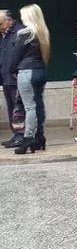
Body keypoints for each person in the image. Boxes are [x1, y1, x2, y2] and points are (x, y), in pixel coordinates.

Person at [8, 4, 50, 154]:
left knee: (29, 107)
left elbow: (14, 58)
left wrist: (12, 70)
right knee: (38, 105)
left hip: (27, 72)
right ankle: (39, 137)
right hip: (40, 71)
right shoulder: (42, 33)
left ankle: (28, 138)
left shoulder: (25, 34)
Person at [0, 10, 25, 148]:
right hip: (6, 76)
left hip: (16, 77)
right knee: (11, 107)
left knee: (18, 108)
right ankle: (16, 133)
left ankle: (21, 134)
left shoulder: (19, 32)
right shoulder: (4, 34)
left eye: (0, 23)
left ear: (9, 20)